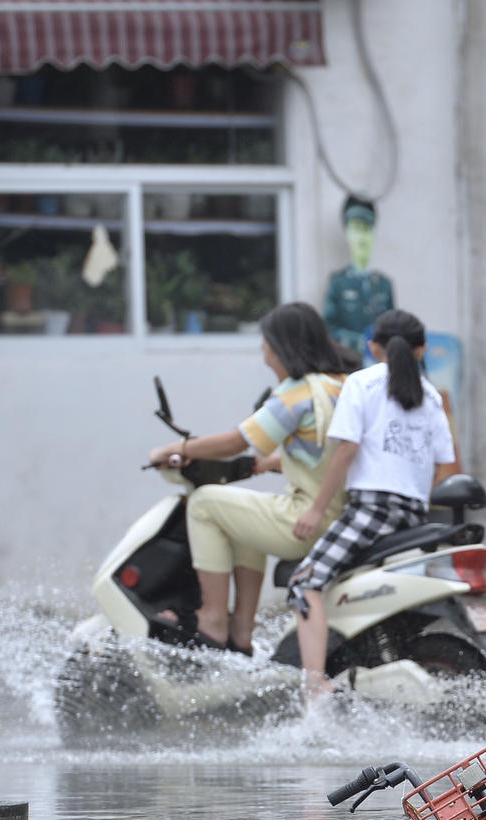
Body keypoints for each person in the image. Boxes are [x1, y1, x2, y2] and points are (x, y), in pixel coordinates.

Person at [147, 302, 349, 655]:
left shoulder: (295, 393)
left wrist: (174, 448)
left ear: (284, 346)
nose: (263, 351)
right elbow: (325, 455)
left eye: (267, 342)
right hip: (337, 517)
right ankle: (241, 632)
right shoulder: (339, 386)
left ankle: (212, 619)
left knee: (205, 503)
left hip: (306, 520)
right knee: (243, 518)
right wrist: (271, 463)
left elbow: (237, 441)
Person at [289, 308, 459, 699]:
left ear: (372, 346)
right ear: (422, 350)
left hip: (371, 510)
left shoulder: (361, 384)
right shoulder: (432, 396)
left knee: (304, 582)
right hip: (415, 515)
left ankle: (315, 687)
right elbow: (442, 467)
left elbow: (346, 450)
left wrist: (316, 509)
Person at [322, 195, 394, 356]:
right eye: (356, 229)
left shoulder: (383, 284)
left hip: (378, 364)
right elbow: (328, 328)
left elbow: (393, 327)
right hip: (348, 362)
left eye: (367, 230)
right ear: (347, 234)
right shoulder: (338, 282)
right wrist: (360, 342)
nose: (362, 237)